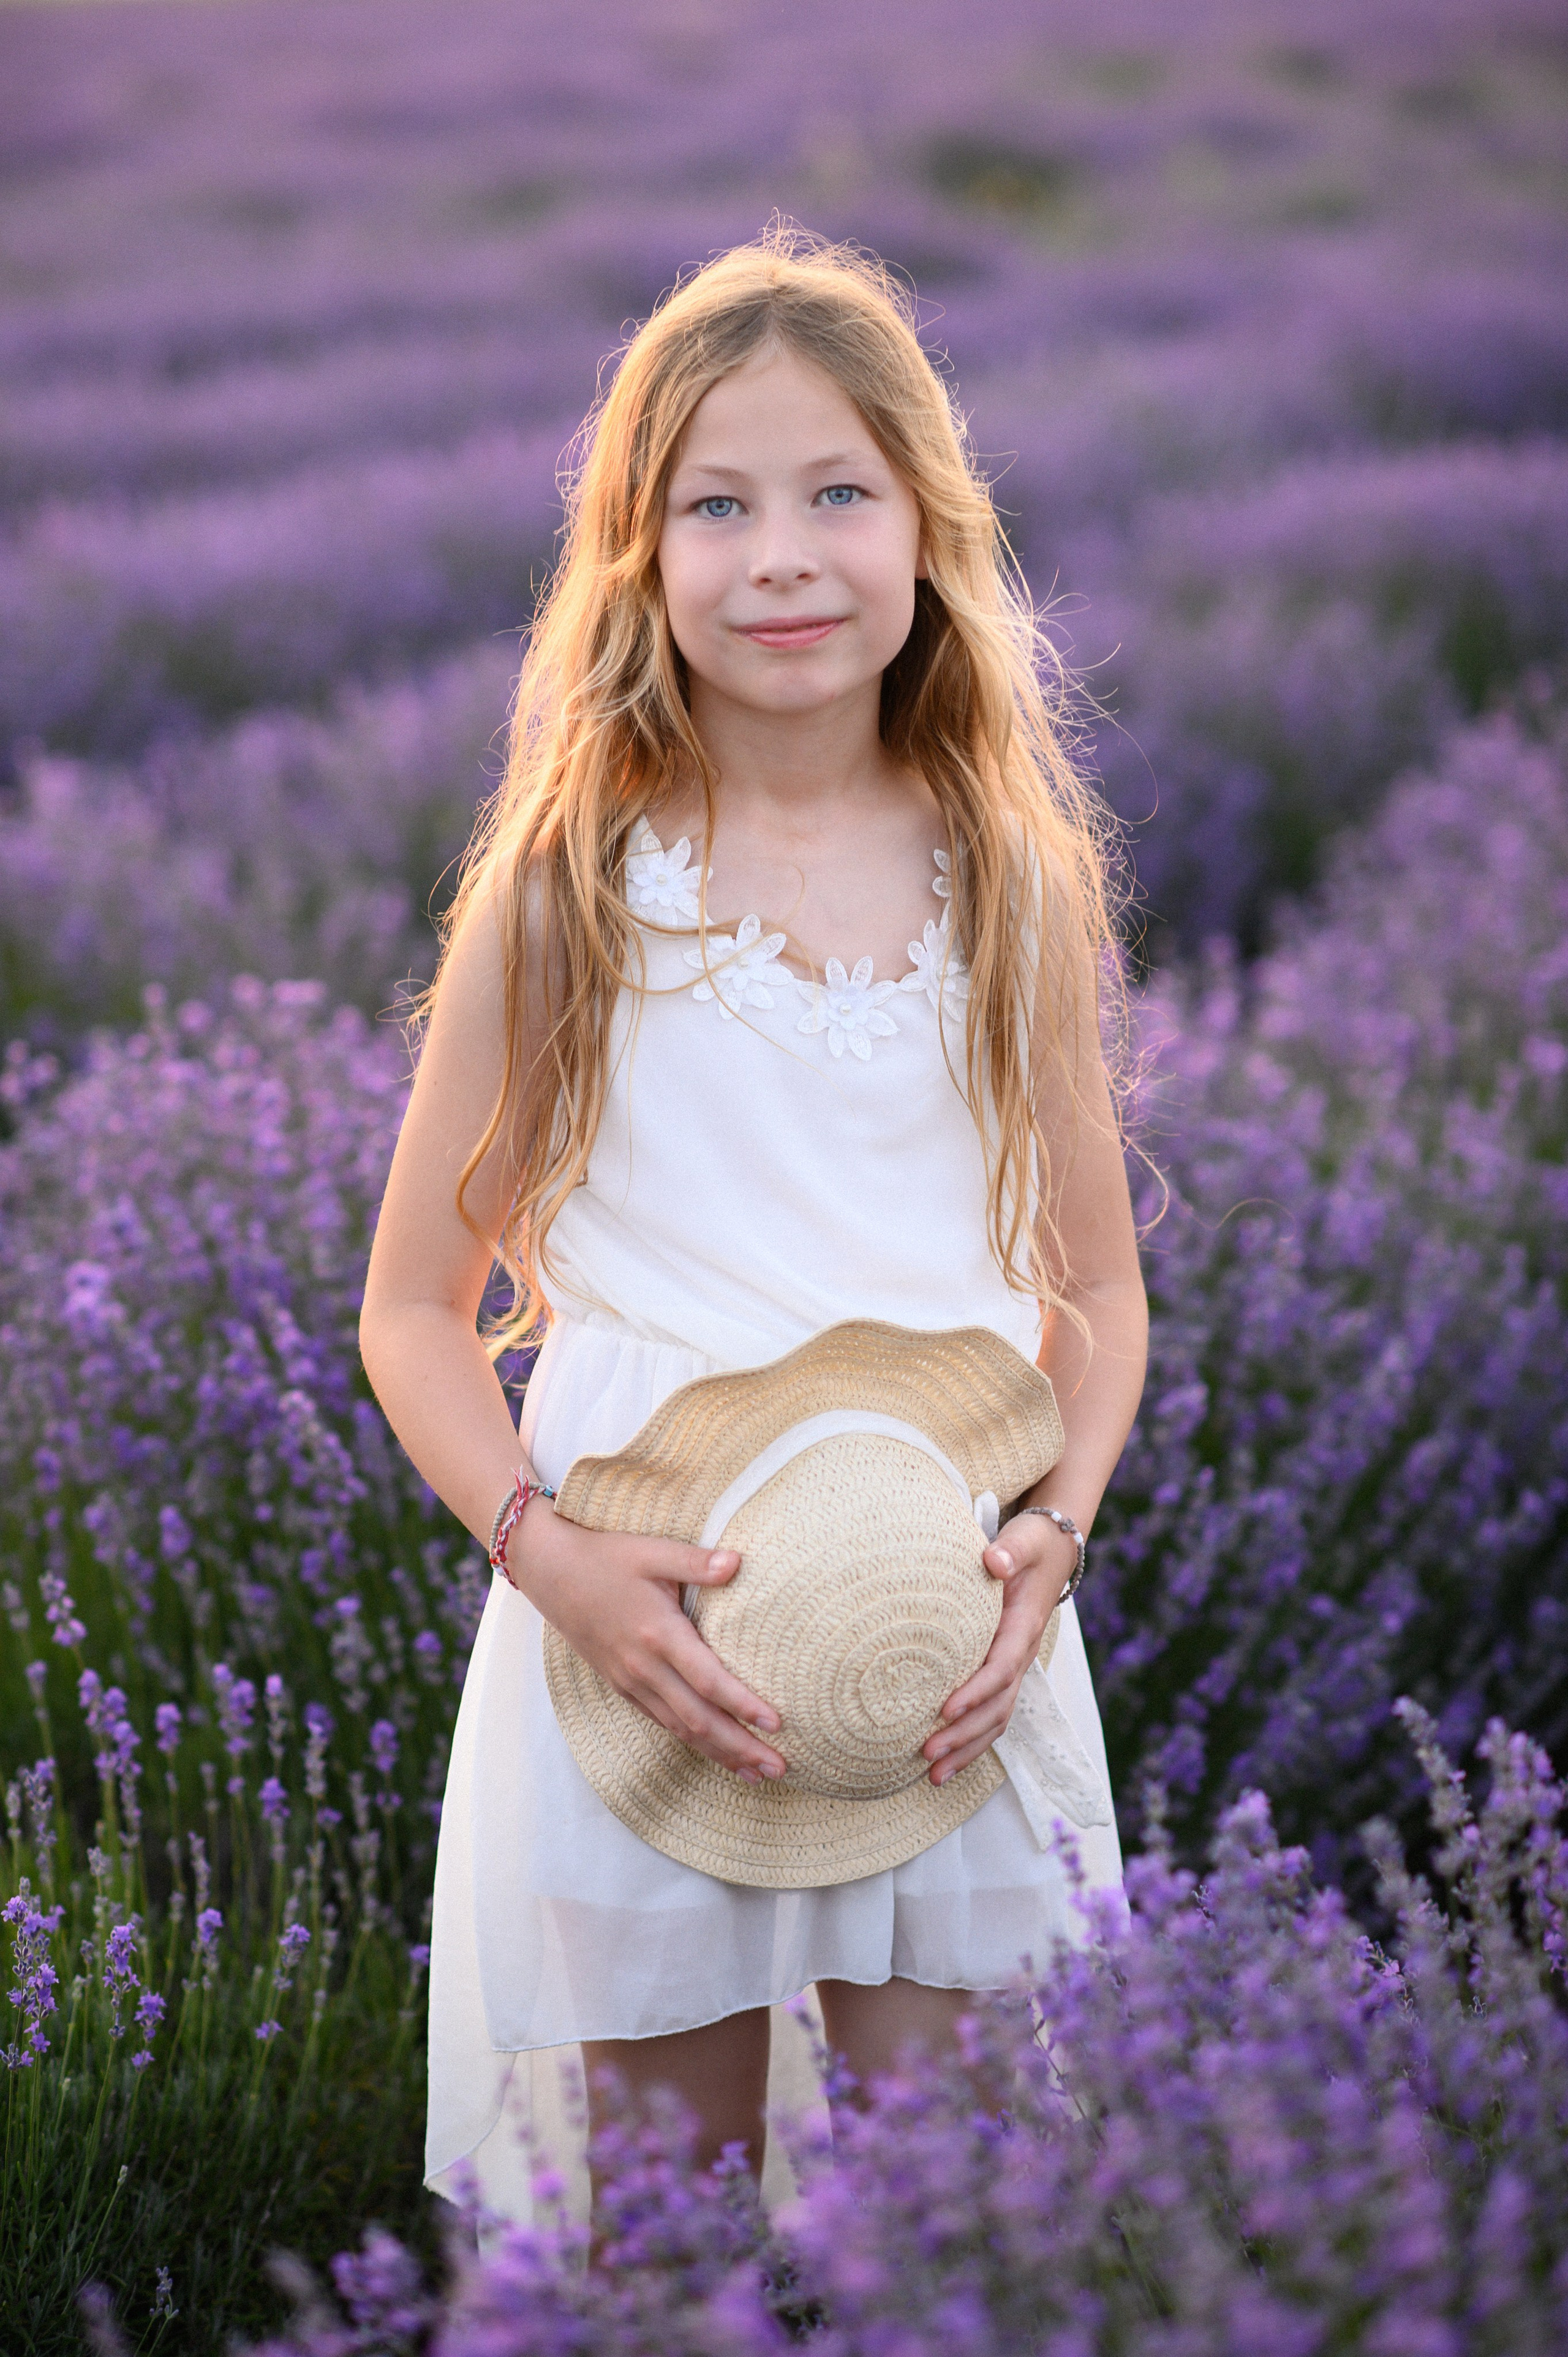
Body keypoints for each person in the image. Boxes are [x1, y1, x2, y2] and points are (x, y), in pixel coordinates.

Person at [358, 225, 1148, 2228]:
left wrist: (1052, 1534)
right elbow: (414, 1316)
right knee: (662, 2245)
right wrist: (559, 1570)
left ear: (926, 528)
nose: (782, 556)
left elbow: (1101, 1292)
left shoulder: (1012, 882)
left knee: (950, 2230)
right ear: (635, 555)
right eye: (716, 504)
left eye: (837, 494)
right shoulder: (571, 895)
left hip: (938, 1636)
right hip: (644, 1637)